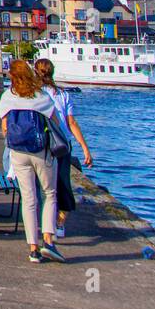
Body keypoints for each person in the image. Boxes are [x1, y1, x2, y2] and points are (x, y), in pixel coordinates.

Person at [0, 60, 64, 264]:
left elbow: (5, 127)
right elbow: (55, 122)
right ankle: (48, 241)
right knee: (49, 194)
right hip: (41, 151)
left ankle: (33, 249)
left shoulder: (8, 97)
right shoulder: (41, 96)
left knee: (28, 199)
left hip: (18, 151)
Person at [34, 57, 94, 239]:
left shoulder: (34, 93)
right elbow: (71, 122)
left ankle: (42, 223)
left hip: (42, 142)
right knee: (63, 183)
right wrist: (85, 148)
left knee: (41, 184)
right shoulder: (62, 94)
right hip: (62, 143)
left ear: (36, 72)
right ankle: (60, 223)